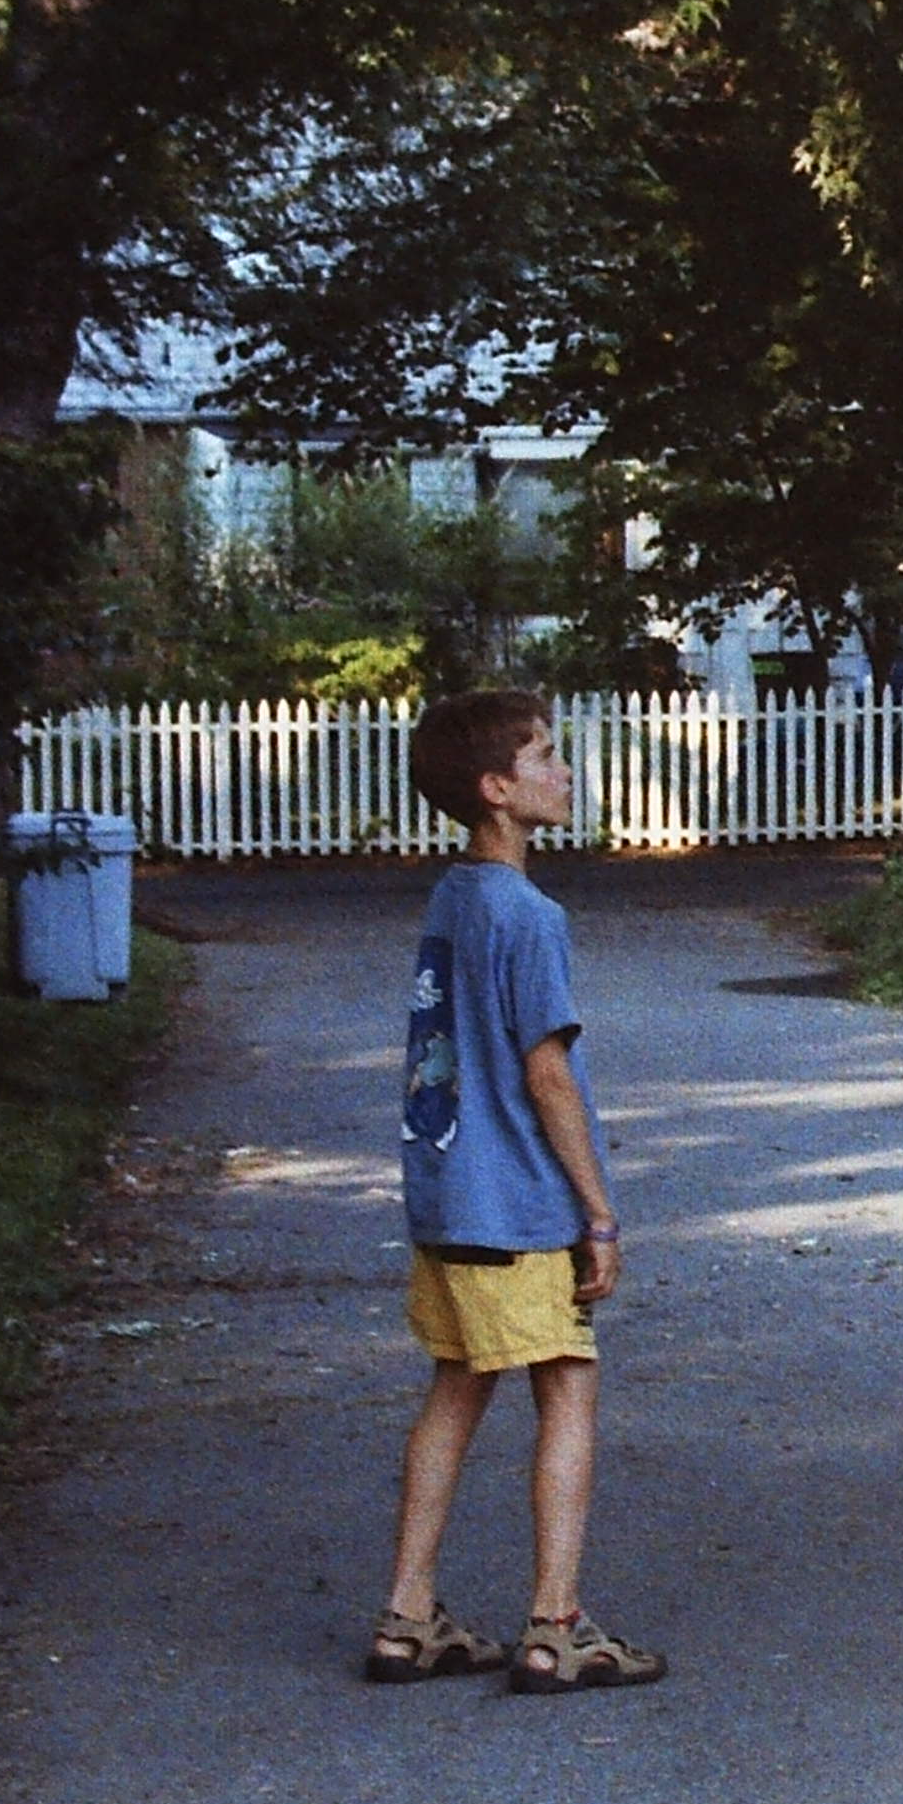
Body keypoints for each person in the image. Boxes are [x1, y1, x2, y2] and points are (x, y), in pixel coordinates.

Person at [373, 690, 660, 1692]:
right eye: (544, 755)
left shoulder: (453, 900)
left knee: (455, 1386)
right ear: (497, 790)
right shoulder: (529, 917)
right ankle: (555, 1624)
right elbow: (548, 1073)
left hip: (448, 1193)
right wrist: (599, 1213)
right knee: (567, 1384)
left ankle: (408, 1615)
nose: (564, 770)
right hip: (518, 1201)